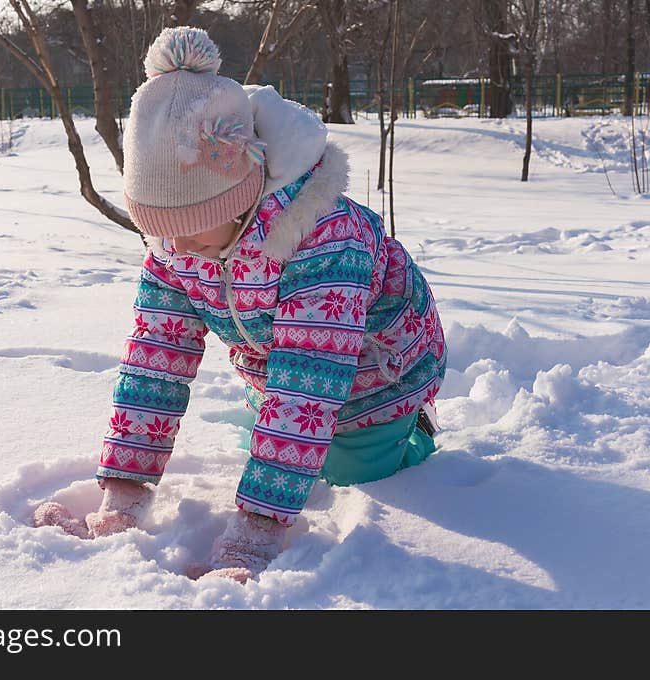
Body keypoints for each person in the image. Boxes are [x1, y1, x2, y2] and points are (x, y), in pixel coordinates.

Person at [34, 26, 446, 583]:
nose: (174, 247)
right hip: (277, 362)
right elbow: (155, 358)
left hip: (377, 379)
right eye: (158, 229)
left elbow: (307, 385)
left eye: (188, 228)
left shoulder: (324, 241)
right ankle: (275, 436)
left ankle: (413, 434)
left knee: (345, 467)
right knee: (281, 434)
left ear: (239, 194)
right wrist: (124, 493)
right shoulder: (179, 243)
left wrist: (255, 534)